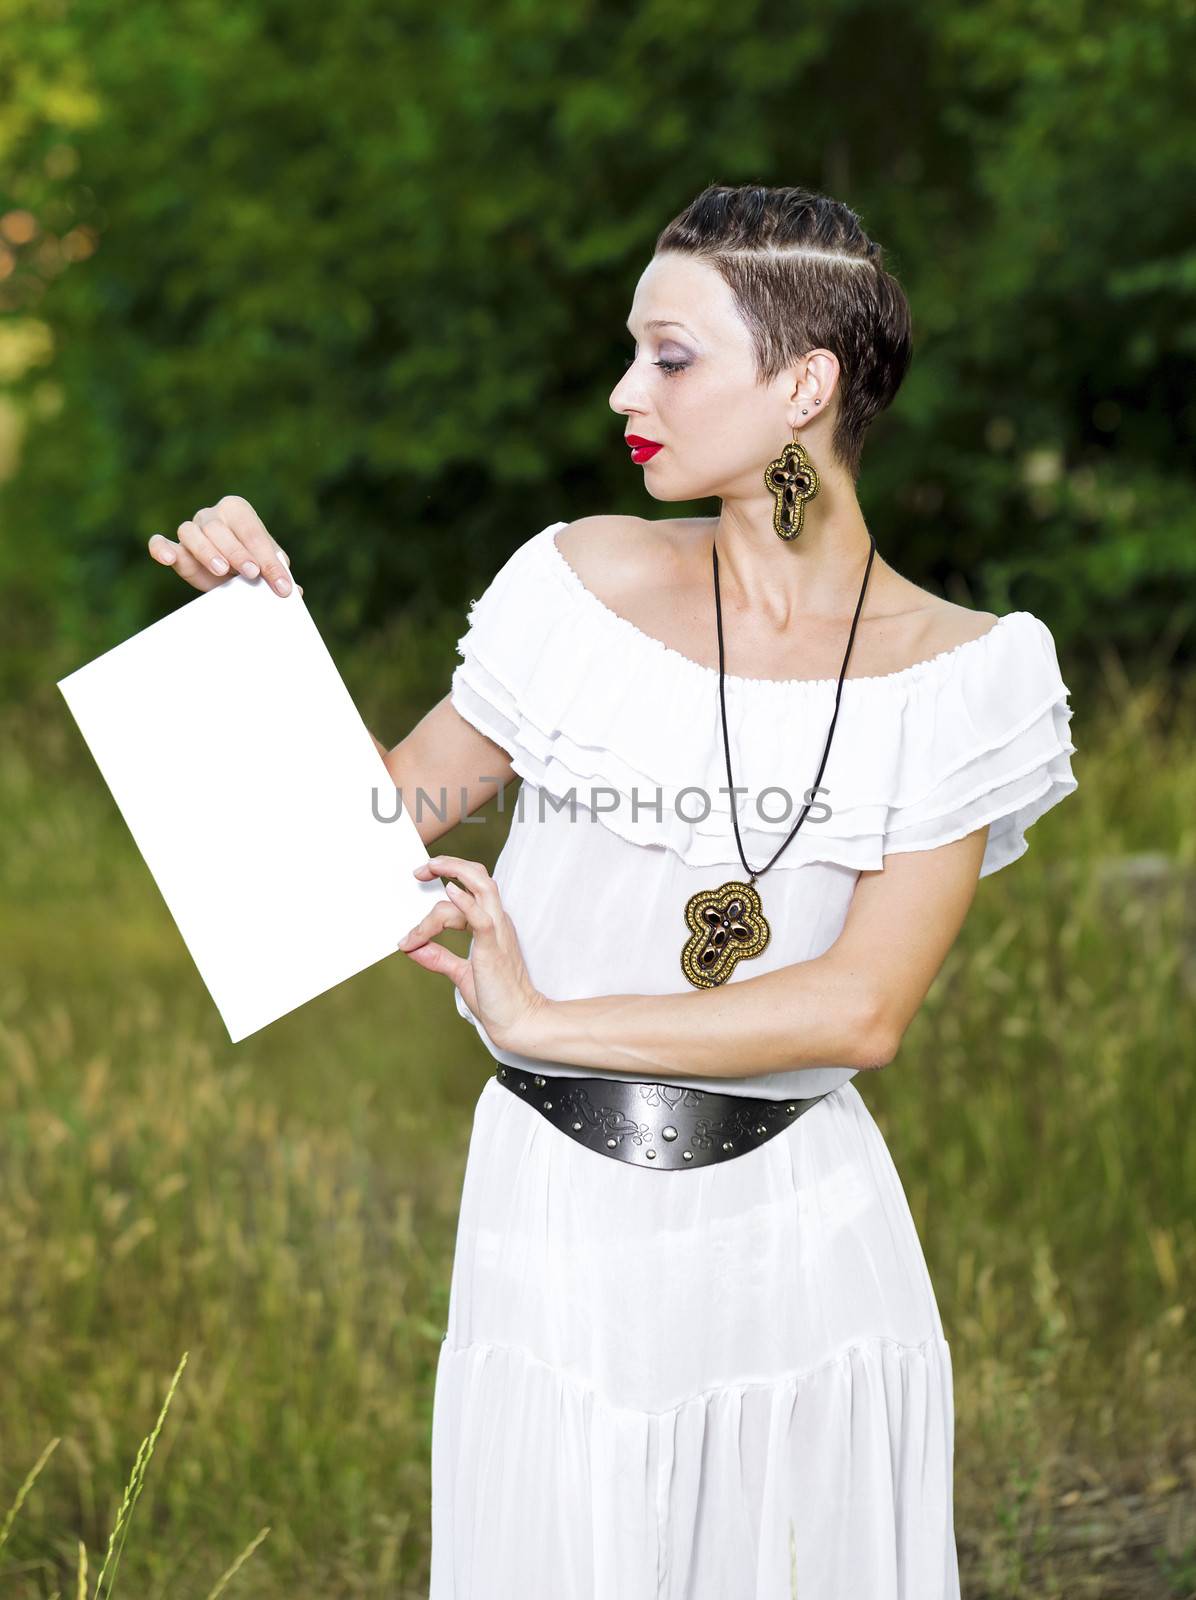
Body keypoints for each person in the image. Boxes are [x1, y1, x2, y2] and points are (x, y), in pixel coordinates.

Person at [149, 183, 1079, 1600]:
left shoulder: (969, 675)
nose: (621, 389)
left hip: (800, 1248)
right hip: (551, 1227)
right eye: (631, 351)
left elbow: (862, 1009)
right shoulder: (576, 585)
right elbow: (356, 850)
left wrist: (545, 1016)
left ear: (803, 385)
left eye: (671, 355)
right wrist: (255, 645)